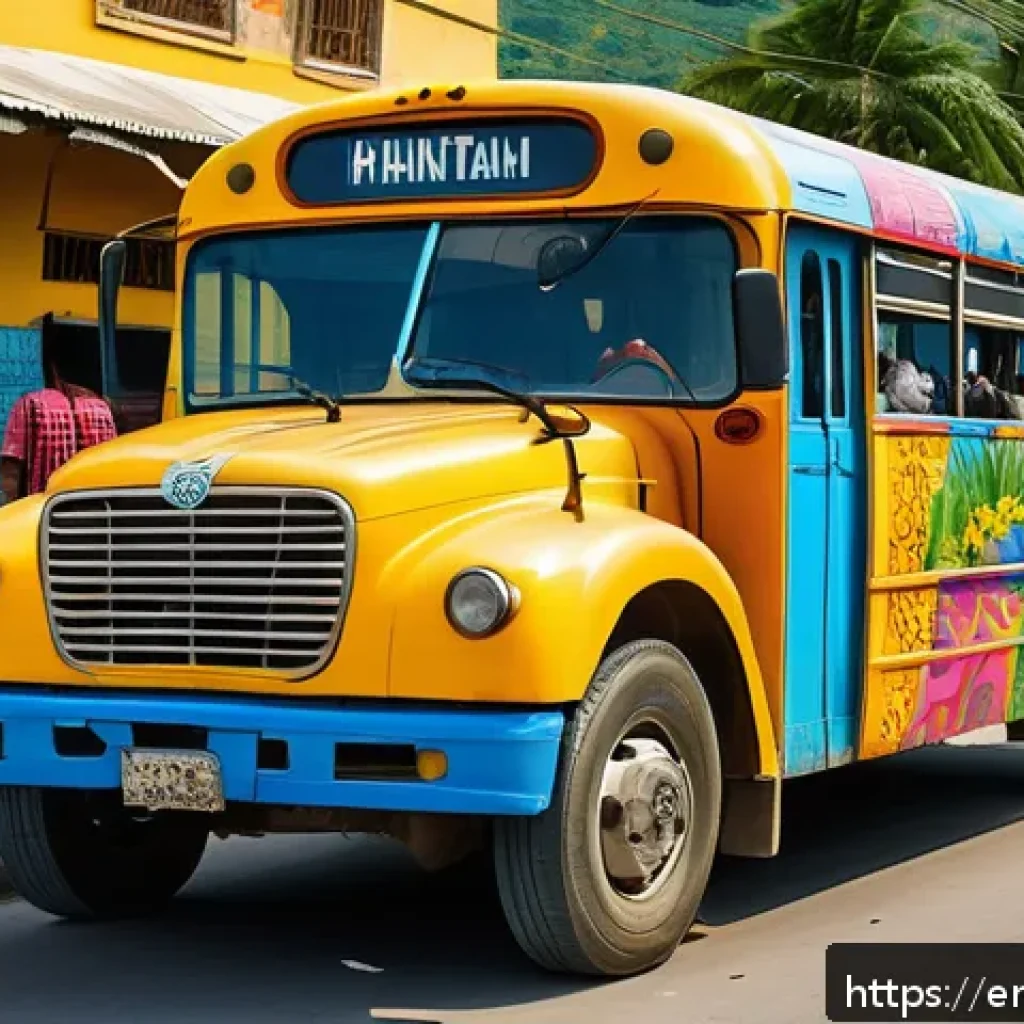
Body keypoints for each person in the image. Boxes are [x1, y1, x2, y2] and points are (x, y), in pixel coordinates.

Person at [0, 368, 116, 505]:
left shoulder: (29, 404)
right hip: (95, 510)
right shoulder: (103, 408)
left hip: (46, 515)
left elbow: (12, 473)